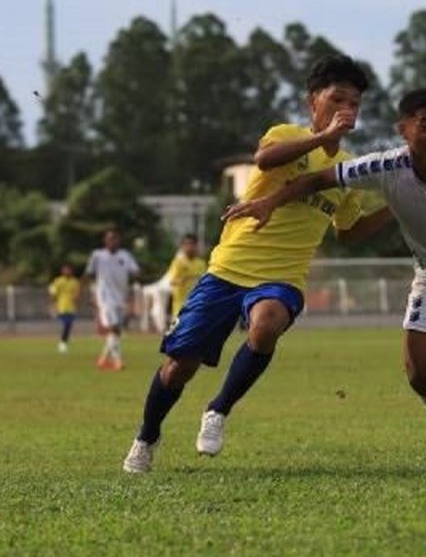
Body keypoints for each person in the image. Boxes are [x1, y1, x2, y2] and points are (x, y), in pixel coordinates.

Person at [222, 87, 426, 471]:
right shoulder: (383, 167)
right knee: (421, 375)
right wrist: (268, 202)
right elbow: (317, 181)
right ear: (403, 129)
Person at [122, 54, 392, 474]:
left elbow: (349, 230)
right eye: (337, 99)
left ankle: (218, 410)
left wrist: (399, 206)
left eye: (355, 104)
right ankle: (147, 437)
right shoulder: (287, 136)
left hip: (283, 277)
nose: (347, 110)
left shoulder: (348, 171)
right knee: (179, 368)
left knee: (266, 325)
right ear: (312, 103)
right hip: (228, 268)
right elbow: (265, 160)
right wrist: (322, 139)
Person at [84, 228, 141, 371]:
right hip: (104, 297)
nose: (112, 241)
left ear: (119, 240)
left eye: (115, 238)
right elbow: (89, 274)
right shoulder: (97, 255)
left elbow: (135, 270)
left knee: (116, 331)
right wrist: (91, 295)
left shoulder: (125, 255)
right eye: (109, 238)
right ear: (105, 240)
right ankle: (118, 361)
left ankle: (103, 359)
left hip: (120, 297)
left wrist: (136, 275)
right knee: (114, 328)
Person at [164, 234, 207, 321]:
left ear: (196, 246)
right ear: (182, 246)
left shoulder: (201, 263)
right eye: (187, 244)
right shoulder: (178, 263)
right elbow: (172, 281)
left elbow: (205, 282)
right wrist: (183, 279)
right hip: (180, 305)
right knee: (178, 331)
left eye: (192, 244)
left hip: (196, 303)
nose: (189, 247)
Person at [48, 263, 82, 354]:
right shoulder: (58, 281)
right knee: (67, 324)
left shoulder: (75, 282)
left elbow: (77, 294)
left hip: (71, 307)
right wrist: (52, 305)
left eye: (69, 269)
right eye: (65, 269)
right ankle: (63, 343)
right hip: (61, 306)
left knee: (69, 325)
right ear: (62, 271)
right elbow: (53, 293)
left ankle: (63, 342)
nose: (67, 271)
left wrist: (77, 300)